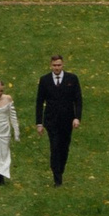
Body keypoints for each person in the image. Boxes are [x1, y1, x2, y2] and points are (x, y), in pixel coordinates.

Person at [35, 52, 83, 187]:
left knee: (64, 147)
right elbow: (39, 102)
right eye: (54, 65)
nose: (57, 68)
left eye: (59, 65)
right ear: (51, 66)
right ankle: (57, 177)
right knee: (55, 147)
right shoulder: (45, 80)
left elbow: (78, 100)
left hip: (67, 120)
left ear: (63, 65)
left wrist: (77, 118)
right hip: (51, 121)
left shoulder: (72, 79)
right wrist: (39, 123)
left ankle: (60, 168)